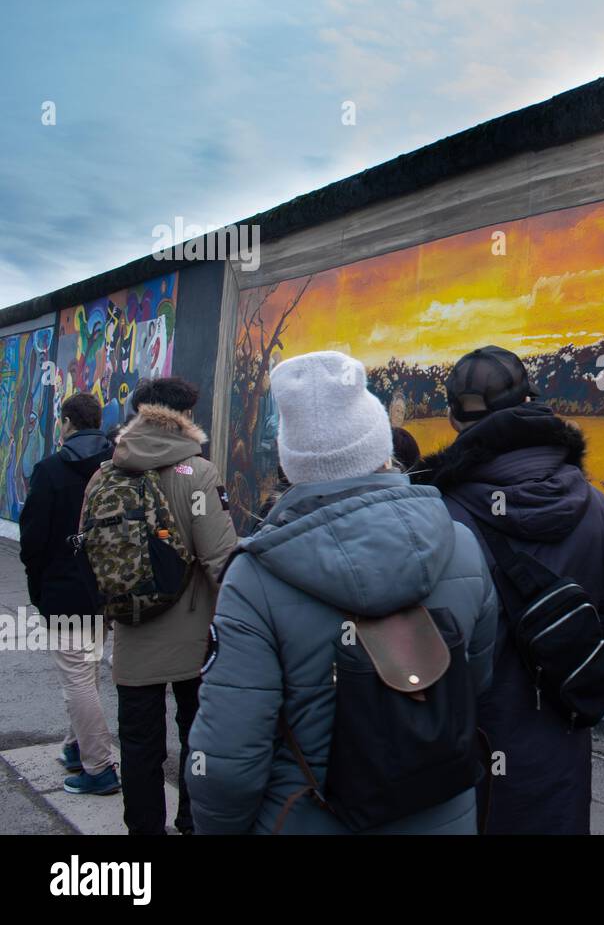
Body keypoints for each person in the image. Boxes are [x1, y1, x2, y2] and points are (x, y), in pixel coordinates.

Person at [185, 351, 497, 834]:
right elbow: (474, 679)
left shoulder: (256, 577)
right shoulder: (459, 544)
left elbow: (227, 761)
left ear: (291, 460)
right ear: (378, 444)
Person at [410, 345, 604, 834]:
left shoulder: (436, 515)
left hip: (465, 761)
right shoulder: (597, 506)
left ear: (454, 420)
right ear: (531, 402)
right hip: (559, 753)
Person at [84, 377, 238, 834]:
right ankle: (191, 821)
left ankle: (144, 830)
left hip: (133, 630)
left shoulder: (105, 472)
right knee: (197, 737)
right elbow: (220, 558)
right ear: (183, 418)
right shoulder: (199, 473)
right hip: (195, 639)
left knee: (138, 743)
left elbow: (96, 552)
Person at [18, 393, 118, 795]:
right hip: (107, 587)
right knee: (87, 670)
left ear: (65, 422)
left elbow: (32, 542)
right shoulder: (116, 468)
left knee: (78, 675)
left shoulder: (50, 470)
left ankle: (100, 767)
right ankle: (76, 746)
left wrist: (40, 584)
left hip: (64, 589)